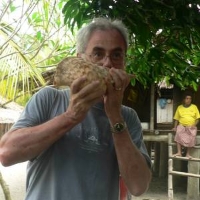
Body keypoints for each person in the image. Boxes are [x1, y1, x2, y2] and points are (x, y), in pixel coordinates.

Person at [0, 17, 152, 200]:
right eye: (97, 54)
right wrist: (70, 117)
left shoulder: (128, 117)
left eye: (116, 55)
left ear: (124, 62)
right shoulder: (49, 98)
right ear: (80, 59)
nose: (107, 63)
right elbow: (6, 154)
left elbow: (138, 186)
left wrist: (115, 115)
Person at [172, 93, 200, 159]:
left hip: (191, 126)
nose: (189, 100)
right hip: (181, 125)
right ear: (184, 100)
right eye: (187, 98)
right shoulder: (179, 107)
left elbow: (198, 119)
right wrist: (175, 127)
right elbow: (176, 119)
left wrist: (194, 125)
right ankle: (179, 152)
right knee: (178, 133)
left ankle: (188, 154)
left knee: (192, 136)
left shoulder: (194, 107)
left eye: (190, 99)